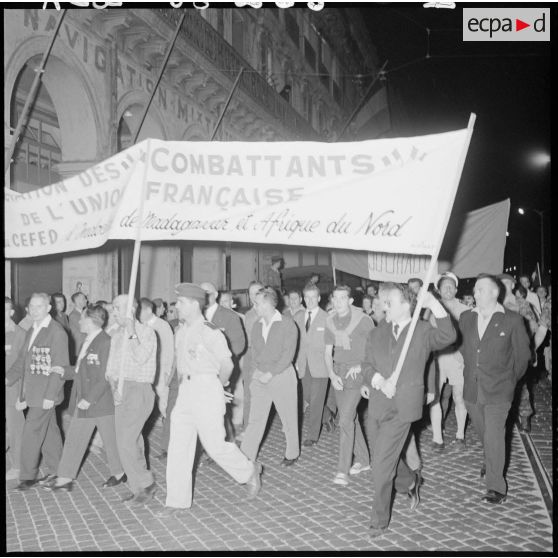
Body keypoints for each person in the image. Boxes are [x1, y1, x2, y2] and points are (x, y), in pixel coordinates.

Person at [156, 283, 261, 517]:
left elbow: (227, 364)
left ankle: (248, 471)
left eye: (181, 302)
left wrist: (220, 386)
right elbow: (178, 365)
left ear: (194, 304)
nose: (177, 306)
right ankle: (176, 501)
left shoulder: (210, 331)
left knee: (214, 445)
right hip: (185, 390)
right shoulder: (181, 331)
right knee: (178, 446)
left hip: (206, 387)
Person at [361, 285, 456, 537]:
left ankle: (379, 521)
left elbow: (448, 336)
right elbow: (367, 365)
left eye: (389, 302)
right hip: (378, 406)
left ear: (406, 305)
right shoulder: (377, 332)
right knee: (382, 458)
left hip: (403, 408)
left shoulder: (422, 331)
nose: (384, 306)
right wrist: (379, 381)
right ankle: (411, 481)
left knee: (380, 466)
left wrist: (433, 303)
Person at [460, 274, 530, 504]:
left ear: (494, 293)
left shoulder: (512, 320)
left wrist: (510, 380)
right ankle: (490, 459)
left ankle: (496, 486)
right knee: (486, 435)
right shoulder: (465, 318)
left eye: (480, 289)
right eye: (476, 290)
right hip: (472, 389)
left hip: (499, 390)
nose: (475, 293)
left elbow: (523, 357)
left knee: (495, 435)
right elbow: (464, 349)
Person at [42, 305, 126, 491]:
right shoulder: (89, 340)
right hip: (84, 399)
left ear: (90, 320)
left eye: (82, 318)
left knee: (111, 441)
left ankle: (119, 473)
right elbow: (82, 370)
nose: (79, 321)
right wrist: (64, 370)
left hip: (99, 401)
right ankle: (65, 478)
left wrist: (90, 398)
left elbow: (106, 374)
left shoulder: (105, 342)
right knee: (74, 438)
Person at [6, 293, 70, 490]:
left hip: (45, 394)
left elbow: (60, 366)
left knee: (30, 432)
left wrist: (51, 396)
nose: (34, 311)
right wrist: (8, 379)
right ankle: (60, 473)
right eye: (31, 307)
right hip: (34, 392)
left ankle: (27, 476)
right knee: (50, 433)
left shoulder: (56, 332)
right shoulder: (32, 329)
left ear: (48, 308)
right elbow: (21, 362)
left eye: (39, 307)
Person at [105, 295, 157, 506]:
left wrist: (132, 332)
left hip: (139, 389)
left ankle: (145, 483)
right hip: (120, 390)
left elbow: (141, 357)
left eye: (117, 308)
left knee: (125, 442)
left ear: (131, 309)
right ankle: (139, 487)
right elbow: (110, 368)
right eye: (113, 308)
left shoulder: (147, 332)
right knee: (131, 441)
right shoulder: (115, 334)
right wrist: (114, 388)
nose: (113, 312)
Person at [240, 287, 299, 465]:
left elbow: (288, 354)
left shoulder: (287, 323)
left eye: (257, 303)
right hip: (260, 376)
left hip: (282, 375)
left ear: (266, 304)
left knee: (288, 417)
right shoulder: (257, 325)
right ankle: (245, 455)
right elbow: (256, 353)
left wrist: (271, 373)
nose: (254, 306)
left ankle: (292, 453)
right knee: (255, 419)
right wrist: (258, 373)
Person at [325, 285, 374, 486]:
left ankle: (342, 471)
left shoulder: (364, 321)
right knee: (350, 419)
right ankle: (364, 460)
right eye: (335, 298)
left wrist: (360, 365)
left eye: (343, 298)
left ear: (351, 301)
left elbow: (375, 349)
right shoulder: (330, 321)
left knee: (343, 419)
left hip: (358, 374)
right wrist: (331, 373)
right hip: (338, 373)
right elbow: (327, 353)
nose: (338, 302)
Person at [201, 282, 247, 438]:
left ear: (216, 295)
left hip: (222, 371)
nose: (205, 296)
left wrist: (224, 360)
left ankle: (226, 444)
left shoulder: (229, 316)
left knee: (220, 410)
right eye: (202, 293)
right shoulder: (197, 316)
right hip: (201, 372)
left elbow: (239, 344)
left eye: (208, 292)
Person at [429, 272, 469, 448]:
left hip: (457, 359)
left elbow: (470, 337)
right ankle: (437, 438)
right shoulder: (431, 310)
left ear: (456, 289)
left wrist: (465, 356)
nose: (448, 288)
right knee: (435, 398)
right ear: (438, 290)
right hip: (437, 359)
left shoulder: (465, 309)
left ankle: (460, 435)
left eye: (451, 285)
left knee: (459, 397)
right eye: (444, 286)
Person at [499, 273, 537, 432]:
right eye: (500, 283)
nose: (503, 285)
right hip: (499, 352)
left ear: (513, 285)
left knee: (520, 385)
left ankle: (525, 416)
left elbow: (533, 325)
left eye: (506, 283)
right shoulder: (494, 303)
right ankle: (502, 418)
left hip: (517, 351)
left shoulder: (521, 303)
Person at [295, 284, 329, 447]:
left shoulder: (327, 317)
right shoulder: (298, 317)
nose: (310, 300)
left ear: (319, 298)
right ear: (303, 298)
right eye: (307, 297)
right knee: (307, 396)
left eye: (313, 297)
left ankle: (313, 434)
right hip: (302, 364)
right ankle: (328, 415)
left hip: (321, 366)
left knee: (315, 400)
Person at [139, 298, 174, 420]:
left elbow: (169, 350)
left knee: (164, 405)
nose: (137, 315)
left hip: (161, 372)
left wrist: (167, 372)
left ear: (148, 310)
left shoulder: (162, 326)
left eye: (140, 311)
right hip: (146, 373)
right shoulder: (141, 326)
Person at [5, 297, 27, 481]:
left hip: (12, 389)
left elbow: (23, 365)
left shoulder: (20, 334)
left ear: (11, 312)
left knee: (15, 429)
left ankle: (17, 466)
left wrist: (23, 394)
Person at [238, 281, 264, 436]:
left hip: (265, 358)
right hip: (250, 358)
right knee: (248, 394)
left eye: (257, 292)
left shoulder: (270, 312)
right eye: (251, 293)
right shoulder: (248, 315)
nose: (254, 296)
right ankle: (248, 429)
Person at [69, 291, 88, 363]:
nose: (86, 300)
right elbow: (85, 329)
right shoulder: (74, 315)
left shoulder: (82, 313)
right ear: (78, 301)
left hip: (83, 347)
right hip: (79, 348)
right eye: (84, 299)